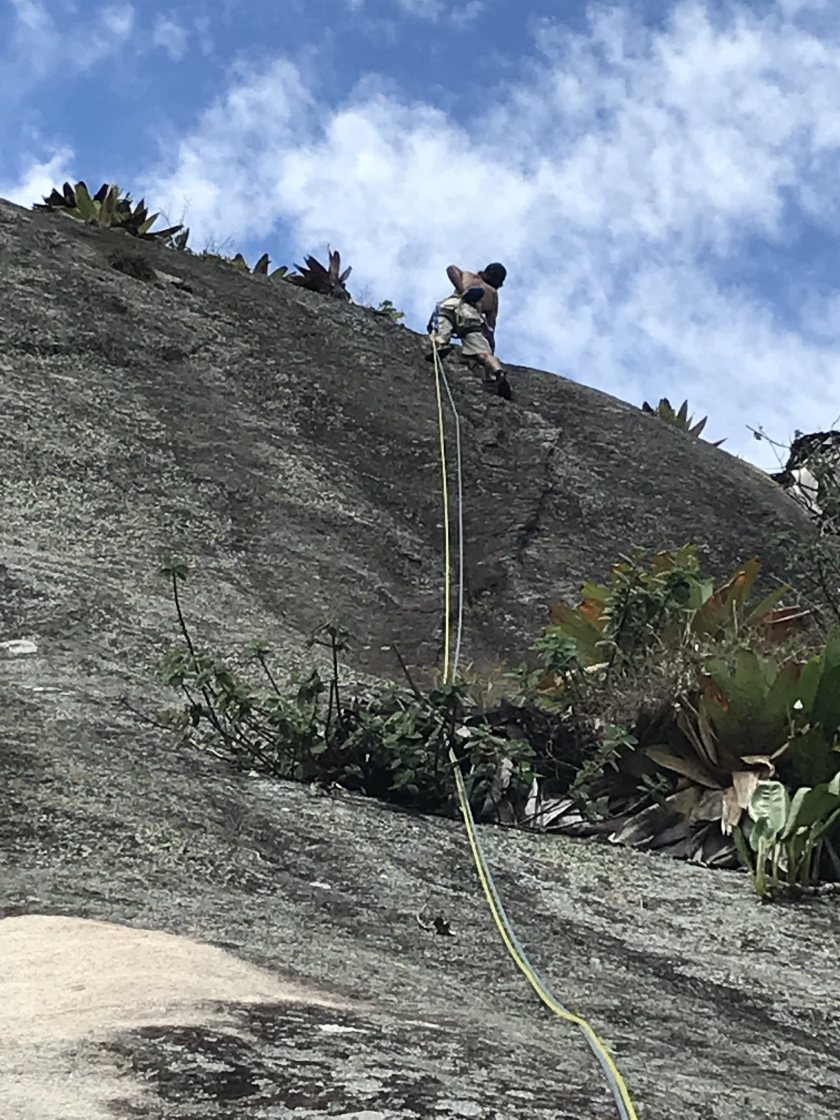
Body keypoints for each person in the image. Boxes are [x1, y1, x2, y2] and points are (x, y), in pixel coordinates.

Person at [427, 262, 510, 397]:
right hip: (472, 316)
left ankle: (442, 344)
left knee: (441, 331)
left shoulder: (468, 275)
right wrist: (489, 345)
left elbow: (451, 268)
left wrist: (461, 289)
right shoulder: (493, 294)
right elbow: (491, 324)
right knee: (483, 354)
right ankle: (497, 370)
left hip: (452, 305)